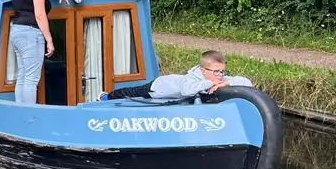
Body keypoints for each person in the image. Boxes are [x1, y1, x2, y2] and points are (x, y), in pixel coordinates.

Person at [9, 0, 69, 104]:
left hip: (16, 31)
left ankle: (21, 112)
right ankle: (30, 116)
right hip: (31, 34)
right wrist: (49, 40)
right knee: (31, 79)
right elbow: (40, 14)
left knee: (23, 75)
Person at [104, 50, 254, 100]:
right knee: (132, 93)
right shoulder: (193, 78)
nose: (220, 75)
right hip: (160, 87)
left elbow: (246, 82)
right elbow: (187, 91)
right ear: (203, 70)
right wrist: (212, 83)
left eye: (222, 71)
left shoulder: (218, 78)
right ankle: (105, 96)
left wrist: (226, 83)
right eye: (216, 72)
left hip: (170, 87)